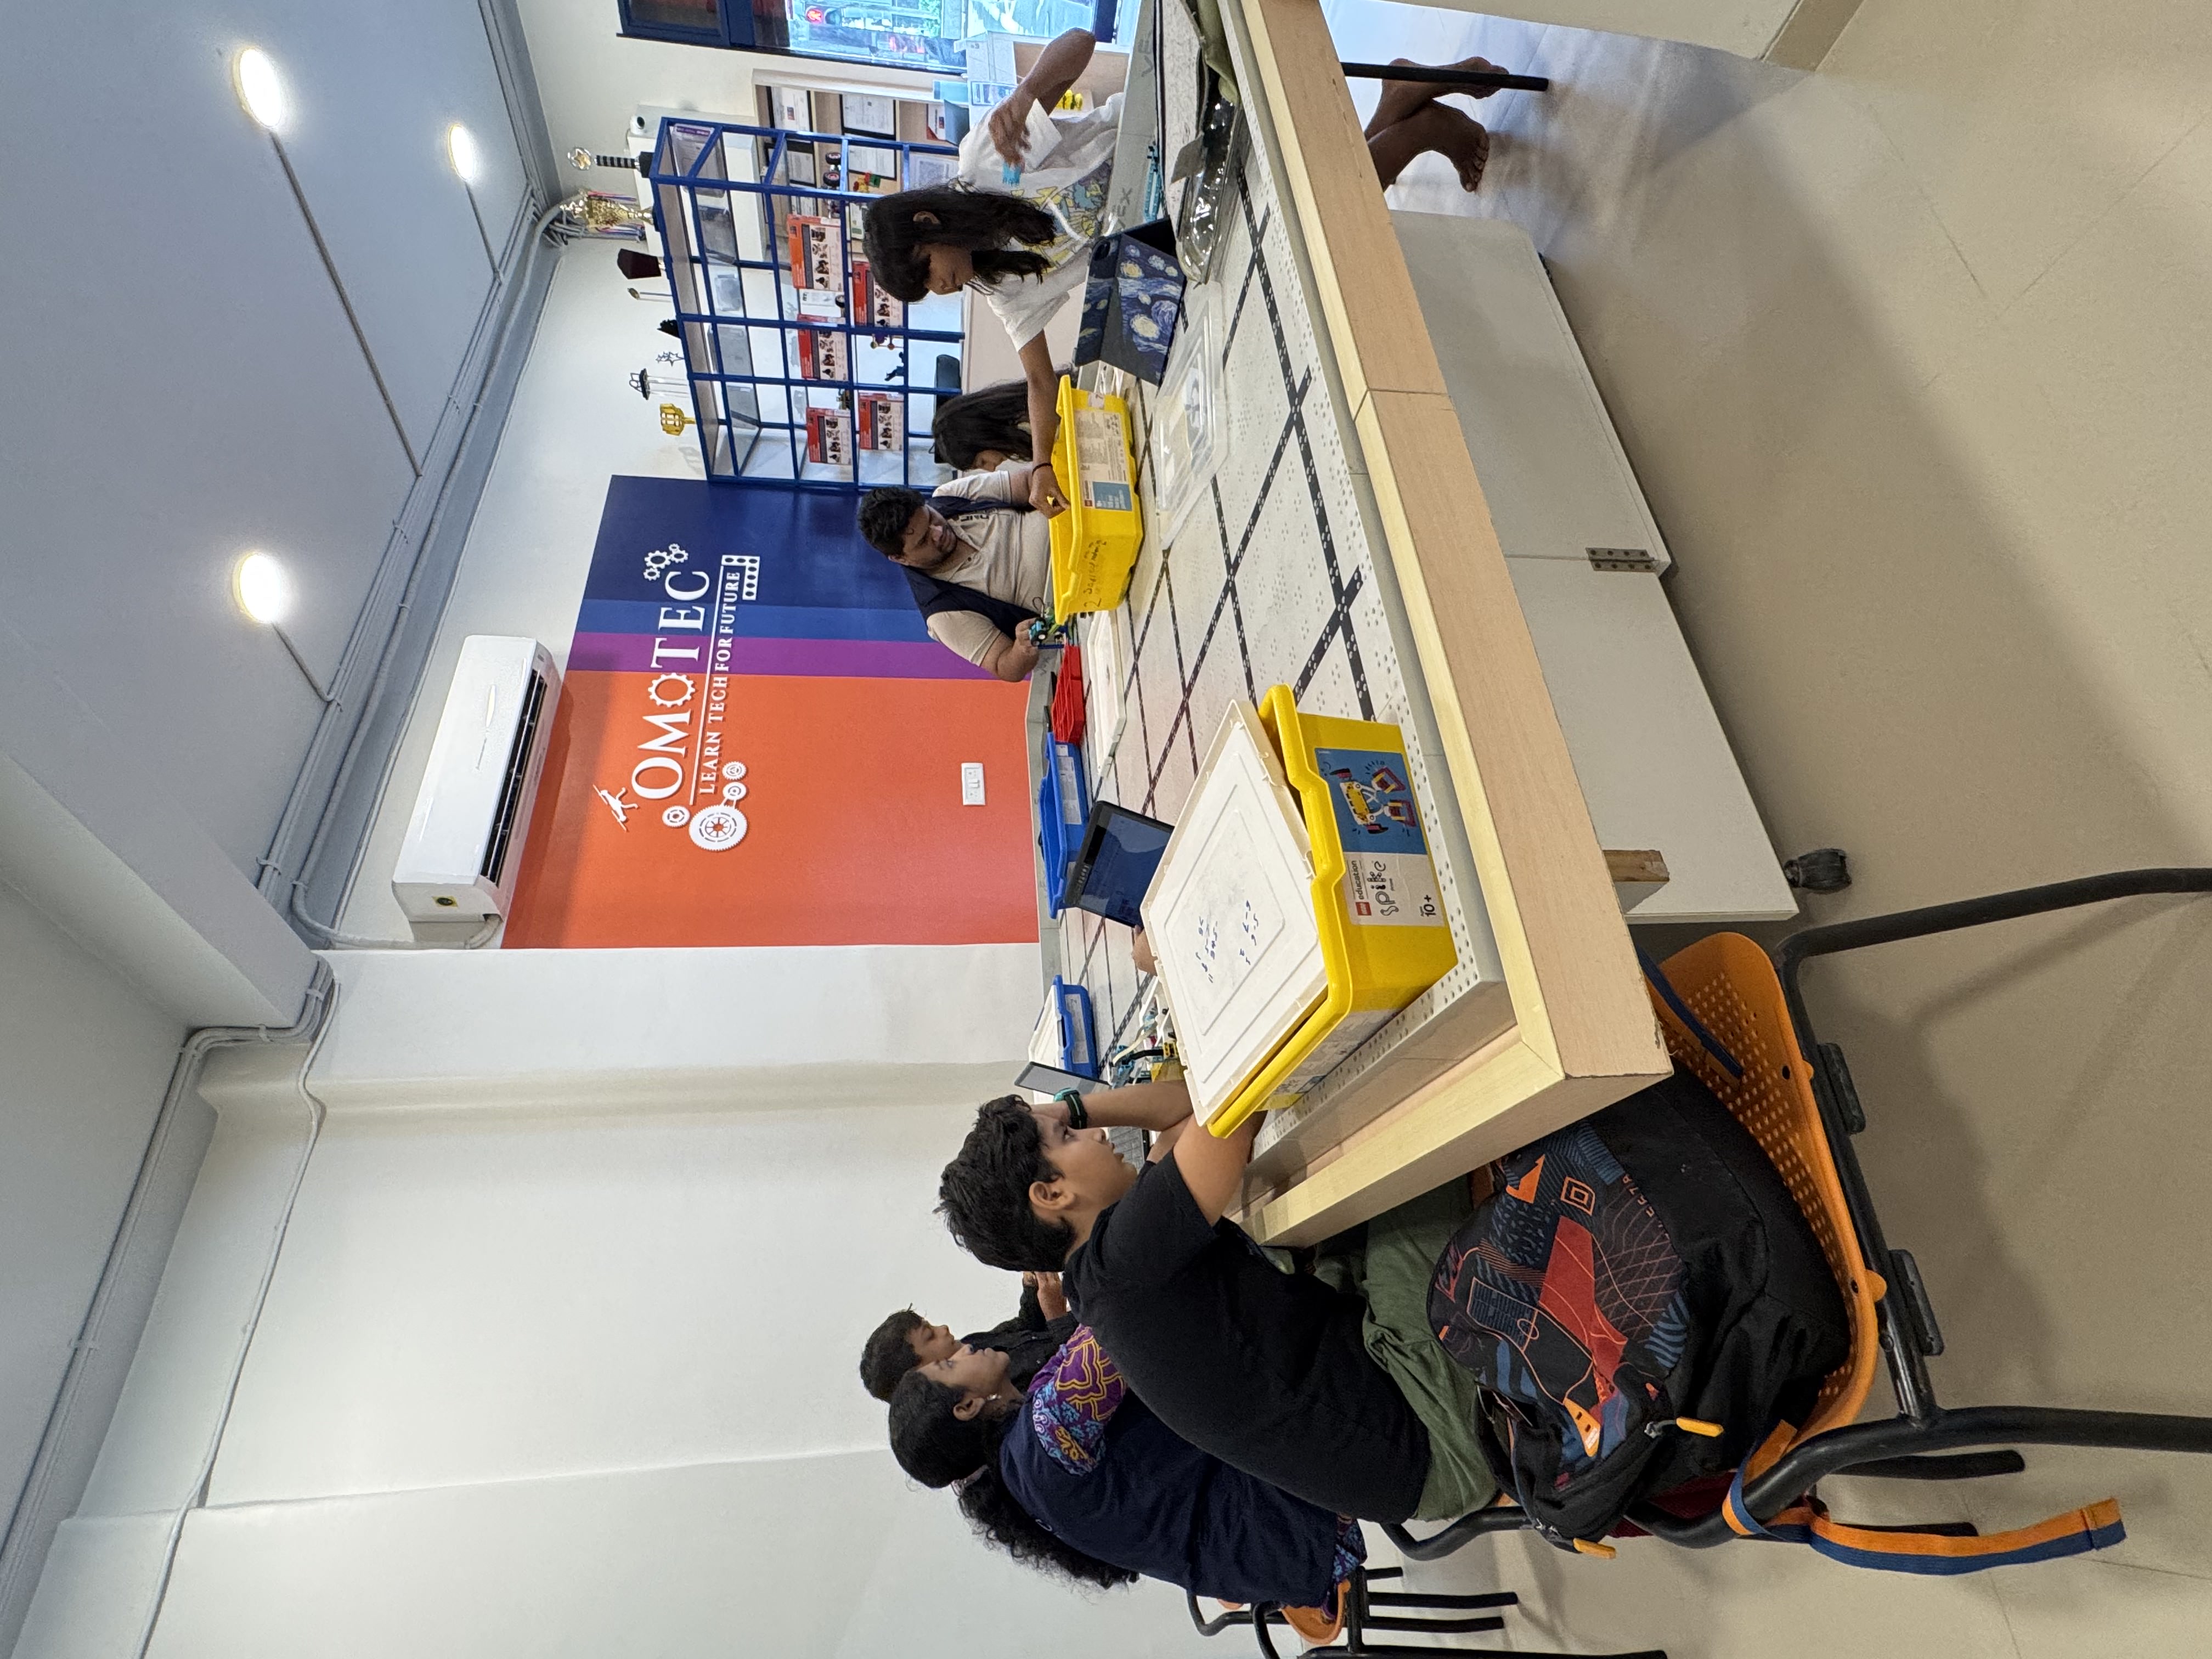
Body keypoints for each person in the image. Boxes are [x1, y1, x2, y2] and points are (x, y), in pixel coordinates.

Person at [864, 31, 1508, 517]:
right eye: (928, 292)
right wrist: (1039, 466)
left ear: (928, 222)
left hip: (1172, 138)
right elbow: (1038, 377)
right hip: (1163, 229)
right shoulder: (998, 282)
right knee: (1259, 254)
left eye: (929, 273)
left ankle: (1420, 127)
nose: (941, 288)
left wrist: (1028, 89)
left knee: (1300, 220)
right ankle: (1402, 103)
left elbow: (1081, 43)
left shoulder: (988, 160)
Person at [934, 1081, 1497, 1526]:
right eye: (1072, 1139)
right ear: (1053, 1194)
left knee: (1357, 1178)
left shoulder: (1100, 1278)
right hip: (1430, 1438)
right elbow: (1231, 1101)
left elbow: (1184, 1110)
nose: (1099, 1134)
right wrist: (1065, 1114)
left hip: (1376, 1402)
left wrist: (1070, 1111)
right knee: (1412, 1128)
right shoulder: (1123, 1262)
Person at [889, 1321, 1362, 1624]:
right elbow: (1121, 1315)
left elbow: (1086, 1330)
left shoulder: (1028, 1439)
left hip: (1280, 1545)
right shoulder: (1044, 1436)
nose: (967, 1345)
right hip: (1297, 1519)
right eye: (951, 1364)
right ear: (968, 1406)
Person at [858, 469, 1052, 680]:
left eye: (931, 517)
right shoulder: (942, 614)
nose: (939, 532)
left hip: (1075, 525)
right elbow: (1003, 665)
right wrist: (1022, 647)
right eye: (924, 540)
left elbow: (1026, 483)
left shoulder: (950, 495)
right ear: (900, 558)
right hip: (1076, 600)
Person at [857, 1271, 1074, 1403]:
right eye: (930, 1336)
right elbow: (1077, 1385)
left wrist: (1032, 1287)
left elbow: (1025, 1328)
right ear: (922, 1377)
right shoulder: (992, 1399)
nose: (944, 1328)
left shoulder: (970, 1346)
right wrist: (1058, 1319)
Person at [930, 378, 1035, 472]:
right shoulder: (1026, 423)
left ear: (982, 435)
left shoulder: (1036, 420)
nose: (991, 469)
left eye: (983, 462)